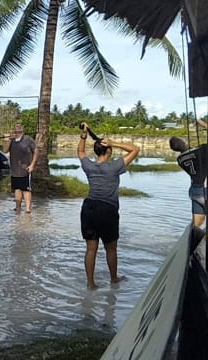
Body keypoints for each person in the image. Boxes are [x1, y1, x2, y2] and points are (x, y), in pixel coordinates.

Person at [78, 122, 139, 290]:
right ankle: (114, 279)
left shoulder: (89, 166)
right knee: (111, 249)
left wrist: (84, 134)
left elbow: (81, 152)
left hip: (88, 208)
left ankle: (90, 284)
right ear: (108, 151)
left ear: (96, 151)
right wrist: (114, 142)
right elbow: (135, 150)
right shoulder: (114, 167)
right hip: (107, 210)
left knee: (91, 249)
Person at [169, 119, 208, 228]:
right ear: (183, 142)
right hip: (202, 190)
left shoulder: (180, 159)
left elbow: (191, 154)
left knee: (197, 224)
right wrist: (202, 123)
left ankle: (192, 242)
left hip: (193, 190)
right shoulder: (200, 151)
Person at [3, 123, 38, 213]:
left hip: (26, 169)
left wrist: (32, 165)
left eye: (20, 126)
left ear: (23, 129)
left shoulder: (28, 139)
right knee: (17, 189)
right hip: (15, 169)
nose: (18, 127)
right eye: (16, 126)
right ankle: (18, 207)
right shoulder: (12, 140)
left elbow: (36, 151)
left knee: (26, 189)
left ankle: (27, 209)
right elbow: (5, 150)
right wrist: (9, 139)